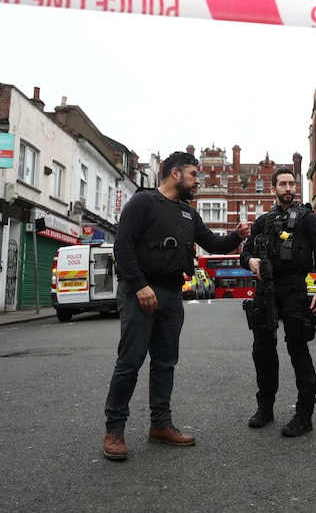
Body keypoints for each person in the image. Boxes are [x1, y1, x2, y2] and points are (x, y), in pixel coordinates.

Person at [103, 151, 252, 461]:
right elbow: (123, 246)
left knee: (165, 363)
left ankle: (160, 425)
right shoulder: (143, 203)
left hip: (172, 295)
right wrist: (141, 286)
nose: (198, 180)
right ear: (174, 174)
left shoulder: (188, 213)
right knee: (129, 362)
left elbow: (212, 243)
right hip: (140, 292)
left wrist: (236, 235)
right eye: (194, 174)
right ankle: (114, 431)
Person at [240, 166, 316, 437]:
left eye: (292, 183)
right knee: (263, 351)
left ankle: (304, 415)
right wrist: (251, 260)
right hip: (266, 290)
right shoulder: (262, 221)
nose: (288, 188)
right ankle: (265, 408)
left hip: (295, 288)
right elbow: (244, 253)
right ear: (274, 189)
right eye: (282, 184)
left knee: (298, 350)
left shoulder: (309, 220)